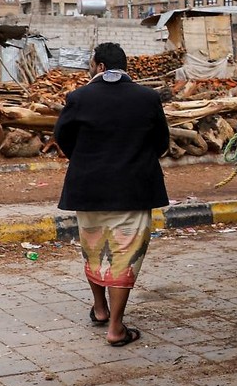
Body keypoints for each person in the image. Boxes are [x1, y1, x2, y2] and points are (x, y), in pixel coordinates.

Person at [55, 42, 170, 348]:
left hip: (88, 188)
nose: (89, 70)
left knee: (94, 250)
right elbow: (161, 142)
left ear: (101, 67)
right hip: (133, 189)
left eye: (91, 64)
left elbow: (62, 137)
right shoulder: (148, 98)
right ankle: (116, 328)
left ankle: (100, 308)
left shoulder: (78, 98)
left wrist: (85, 160)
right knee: (124, 256)